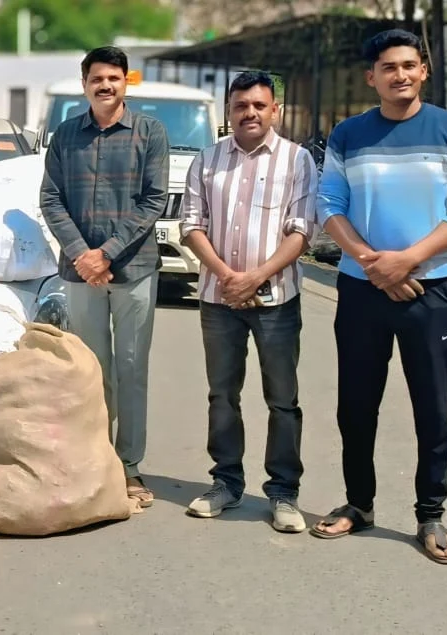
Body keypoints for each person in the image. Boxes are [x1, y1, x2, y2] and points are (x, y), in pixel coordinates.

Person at [313, 29, 447, 565]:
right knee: (356, 405)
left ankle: (430, 514)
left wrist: (406, 261)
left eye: (409, 65)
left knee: (433, 408)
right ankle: (358, 504)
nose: (400, 75)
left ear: (424, 70)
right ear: (372, 77)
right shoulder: (348, 134)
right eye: (388, 67)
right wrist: (373, 263)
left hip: (430, 290)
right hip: (362, 289)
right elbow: (328, 204)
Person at [179, 71, 318, 533]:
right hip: (218, 299)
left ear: (274, 109)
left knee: (282, 399)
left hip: (277, 300)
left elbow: (302, 230)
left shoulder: (297, 162)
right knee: (223, 395)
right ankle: (226, 483)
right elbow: (191, 224)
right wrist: (225, 276)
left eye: (259, 105)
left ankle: (283, 493)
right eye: (241, 106)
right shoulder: (207, 159)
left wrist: (254, 277)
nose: (250, 113)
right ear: (229, 110)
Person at [39, 45, 169, 508]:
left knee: (131, 369)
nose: (106, 85)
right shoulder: (66, 136)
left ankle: (129, 465)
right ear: (85, 84)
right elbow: (51, 199)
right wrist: (82, 255)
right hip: (81, 275)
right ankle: (94, 457)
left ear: (125, 82)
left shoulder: (150, 133)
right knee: (92, 372)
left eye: (114, 78)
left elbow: (154, 201)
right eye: (97, 78)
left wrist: (106, 253)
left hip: (133, 270)